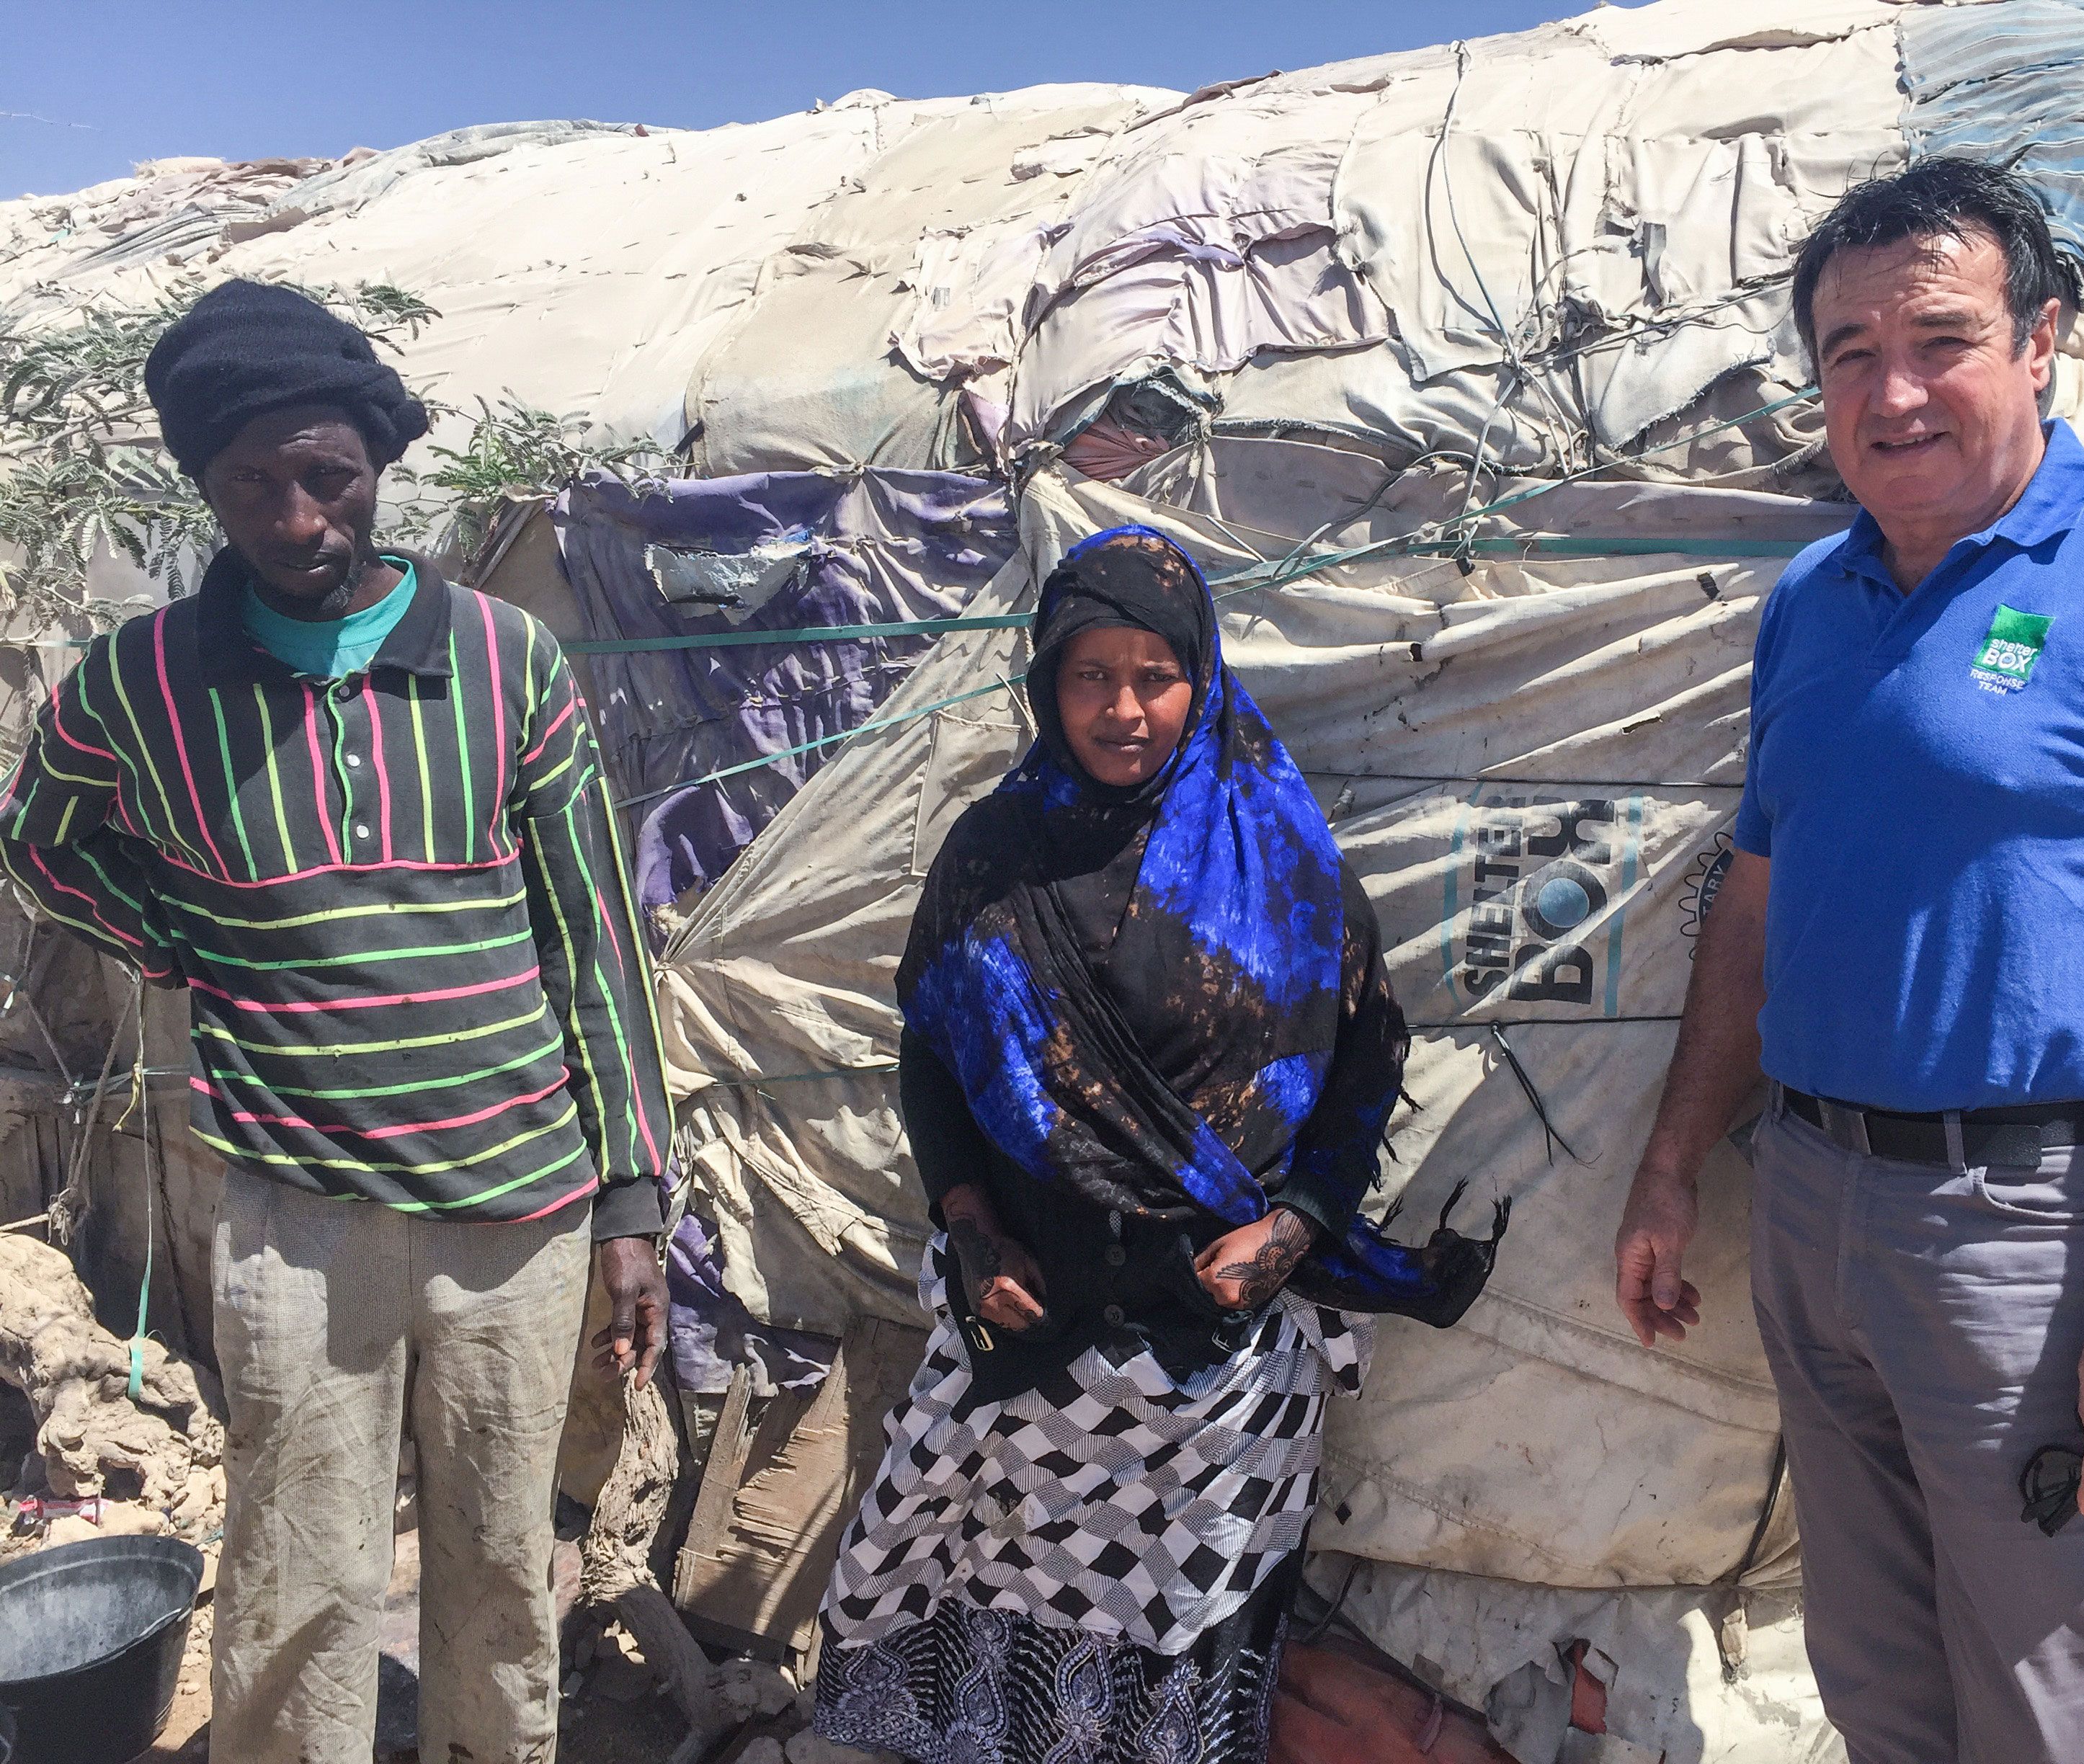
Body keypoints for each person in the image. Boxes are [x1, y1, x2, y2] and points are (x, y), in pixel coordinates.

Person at [1611, 157, 2084, 1763]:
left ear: (2042, 340)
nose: (1896, 389)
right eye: (1851, 353)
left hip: (2031, 1235)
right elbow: (1756, 904)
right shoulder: (1815, 596)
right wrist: (1674, 1166)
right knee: (1875, 1671)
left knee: (2041, 1695)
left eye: (1940, 336)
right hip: (1810, 1203)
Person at [0, 280, 673, 1764]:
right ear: (209, 487)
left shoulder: (511, 662)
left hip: (519, 1203)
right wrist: (182, 938)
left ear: (378, 465)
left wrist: (632, 1195)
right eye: (254, 485)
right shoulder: (143, 683)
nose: (299, 519)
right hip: (297, 1206)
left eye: (330, 478)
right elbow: (41, 841)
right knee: (301, 1572)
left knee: (500, 1569)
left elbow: (597, 940)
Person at [798, 527, 1505, 1764]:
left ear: (1203, 677)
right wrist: (968, 1229)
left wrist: (1296, 1233)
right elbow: (934, 1056)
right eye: (1090, 676)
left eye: (1154, 675)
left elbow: (1364, 1061)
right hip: (1028, 1325)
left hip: (1213, 1350)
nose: (1124, 709)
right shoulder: (995, 854)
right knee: (963, 1588)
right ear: (1045, 684)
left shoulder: (1277, 855)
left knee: (1179, 1653)